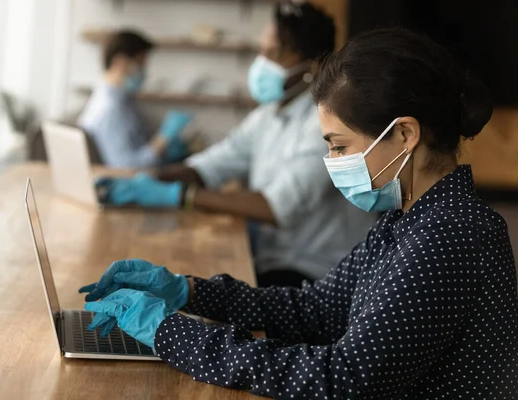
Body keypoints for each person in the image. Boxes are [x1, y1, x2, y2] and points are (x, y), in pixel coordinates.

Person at [80, 28, 518, 398]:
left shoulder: (454, 235)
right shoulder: (407, 220)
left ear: (404, 134)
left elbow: (342, 379)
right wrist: (189, 292)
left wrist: (169, 332)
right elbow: (317, 308)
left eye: (340, 145)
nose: (332, 161)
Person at [95, 2, 376, 286]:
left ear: (313, 68)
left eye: (274, 53)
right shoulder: (268, 115)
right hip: (274, 258)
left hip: (316, 273)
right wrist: (150, 180)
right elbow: (215, 162)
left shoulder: (325, 124)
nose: (262, 62)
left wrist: (180, 195)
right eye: (261, 51)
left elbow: (276, 207)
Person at [78, 30, 193, 169]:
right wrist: (163, 140)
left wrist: (166, 149)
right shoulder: (111, 109)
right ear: (119, 63)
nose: (144, 71)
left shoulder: (121, 99)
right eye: (140, 64)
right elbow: (125, 168)